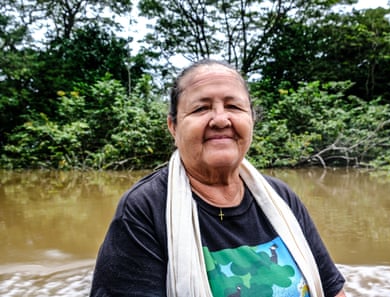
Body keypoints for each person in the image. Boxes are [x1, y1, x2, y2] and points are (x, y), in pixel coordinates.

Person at [90, 59, 347, 297]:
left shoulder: (281, 197)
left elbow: (332, 290)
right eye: (201, 108)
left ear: (251, 120)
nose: (221, 119)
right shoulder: (144, 208)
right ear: (173, 126)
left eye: (233, 106)